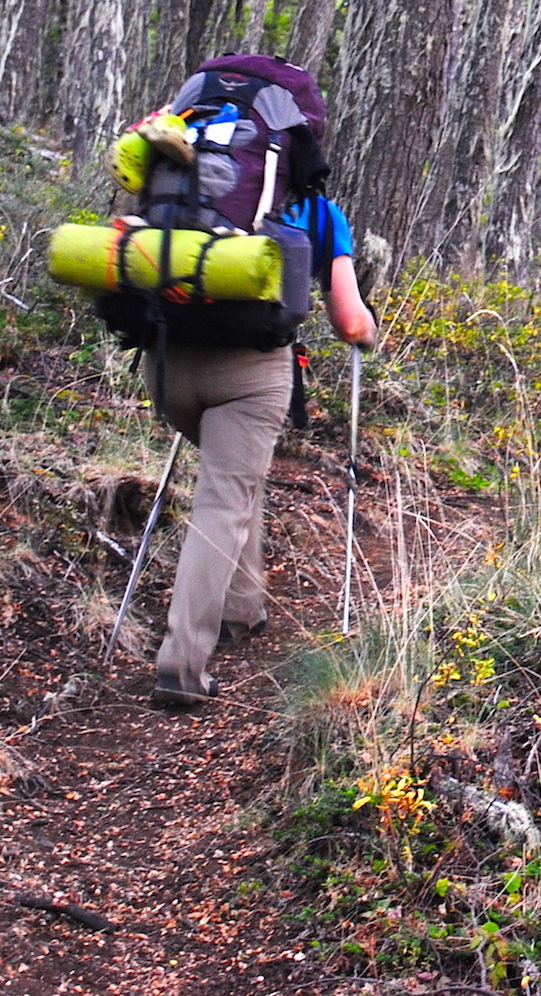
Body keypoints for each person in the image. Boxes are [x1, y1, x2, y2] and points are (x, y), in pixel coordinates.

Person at [148, 185, 376, 709]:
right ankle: (182, 664)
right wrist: (368, 332)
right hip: (249, 373)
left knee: (235, 476)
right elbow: (348, 319)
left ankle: (241, 607)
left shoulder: (184, 186)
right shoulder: (317, 211)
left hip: (163, 368)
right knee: (223, 499)